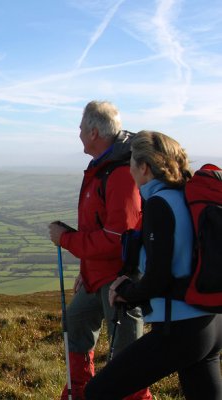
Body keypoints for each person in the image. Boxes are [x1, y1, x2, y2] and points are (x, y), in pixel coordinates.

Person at [84, 131, 222, 399]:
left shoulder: (159, 203)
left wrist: (126, 293)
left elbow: (159, 278)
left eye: (131, 162)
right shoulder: (187, 196)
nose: (130, 169)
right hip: (212, 324)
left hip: (179, 329)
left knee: (98, 392)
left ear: (144, 167)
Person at [48, 101, 151, 400]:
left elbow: (117, 239)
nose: (78, 133)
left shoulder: (119, 174)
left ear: (94, 132)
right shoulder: (101, 169)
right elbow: (98, 228)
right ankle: (79, 392)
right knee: (76, 321)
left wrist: (65, 239)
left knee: (126, 355)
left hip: (121, 278)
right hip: (97, 277)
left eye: (81, 128)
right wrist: (85, 271)